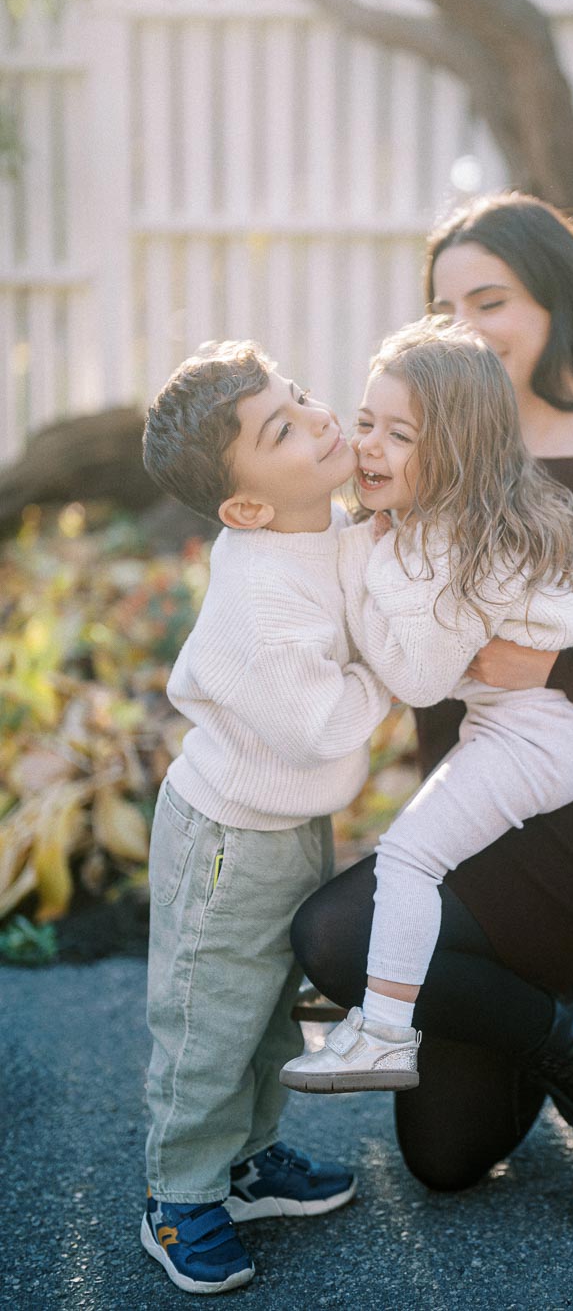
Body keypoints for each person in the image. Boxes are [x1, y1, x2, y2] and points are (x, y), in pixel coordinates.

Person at [289, 193, 573, 1227]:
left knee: (336, 941)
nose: (466, 329)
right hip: (483, 811)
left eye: (489, 299)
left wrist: (559, 665)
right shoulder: (418, 448)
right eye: (443, 309)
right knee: (447, 1160)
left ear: (557, 301)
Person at [279, 318, 573, 1093]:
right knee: (412, 851)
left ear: (458, 454)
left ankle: (383, 1034)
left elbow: (417, 682)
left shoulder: (453, 551)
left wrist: (366, 574)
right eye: (367, 422)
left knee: (408, 858)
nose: (370, 445)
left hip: (536, 743)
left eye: (399, 435)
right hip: (531, 729)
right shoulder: (465, 519)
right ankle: (378, 990)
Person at [139, 340, 392, 1294]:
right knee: (211, 1021)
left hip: (288, 824)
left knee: (273, 1015)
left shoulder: (314, 524)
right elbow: (319, 724)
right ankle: (180, 1193)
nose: (322, 417)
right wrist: (388, 678)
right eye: (283, 427)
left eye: (301, 397)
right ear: (244, 505)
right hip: (227, 840)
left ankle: (247, 1161)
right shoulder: (256, 598)